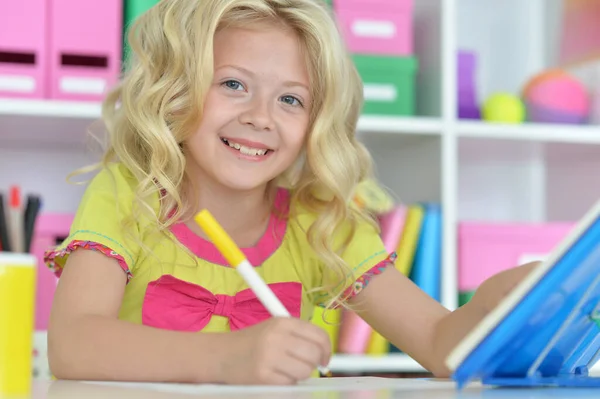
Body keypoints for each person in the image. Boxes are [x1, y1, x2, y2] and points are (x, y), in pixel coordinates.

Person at [45, 0, 538, 386]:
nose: (261, 116)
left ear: (315, 122)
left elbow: (437, 341)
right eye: (233, 84)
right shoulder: (130, 193)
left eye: (290, 99)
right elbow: (73, 344)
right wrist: (225, 359)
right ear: (176, 92)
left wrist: (493, 303)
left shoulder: (319, 220)